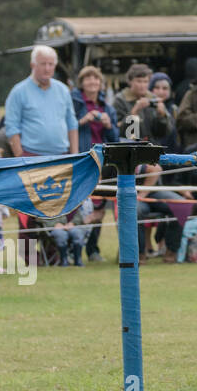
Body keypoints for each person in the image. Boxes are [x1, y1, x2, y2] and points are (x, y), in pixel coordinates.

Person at [71, 65, 118, 262]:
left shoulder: (107, 107)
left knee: (98, 205)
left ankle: (93, 250)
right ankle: (74, 249)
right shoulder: (74, 103)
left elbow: (114, 137)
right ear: (82, 83)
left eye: (96, 79)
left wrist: (108, 125)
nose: (93, 82)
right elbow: (67, 125)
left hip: (103, 162)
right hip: (82, 159)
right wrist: (84, 120)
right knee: (80, 205)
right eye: (88, 79)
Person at [3, 45, 78, 157]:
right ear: (33, 65)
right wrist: (20, 157)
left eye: (51, 64)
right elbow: (11, 127)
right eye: (43, 64)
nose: (47, 68)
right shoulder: (18, 92)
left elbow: (72, 124)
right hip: (30, 157)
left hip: (62, 156)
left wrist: (74, 155)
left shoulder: (63, 90)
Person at [135, 163, 186, 262]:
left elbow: (156, 168)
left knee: (181, 205)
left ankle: (172, 251)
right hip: (130, 194)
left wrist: (141, 195)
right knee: (134, 210)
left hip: (154, 191)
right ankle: (139, 254)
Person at [149, 73, 180, 153]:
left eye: (165, 88)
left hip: (172, 152)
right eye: (157, 87)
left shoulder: (174, 108)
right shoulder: (146, 108)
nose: (161, 91)